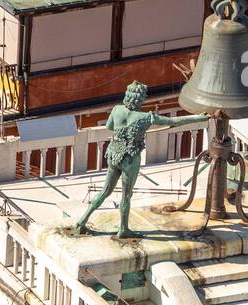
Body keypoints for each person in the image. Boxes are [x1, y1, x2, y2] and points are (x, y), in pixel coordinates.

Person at [75, 81, 201, 238]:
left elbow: (110, 127)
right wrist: (198, 118)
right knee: (126, 195)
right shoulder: (145, 117)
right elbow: (173, 122)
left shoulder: (116, 110)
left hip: (114, 154)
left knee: (104, 191)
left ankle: (82, 221)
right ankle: (123, 229)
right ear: (140, 99)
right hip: (130, 158)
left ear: (127, 96)